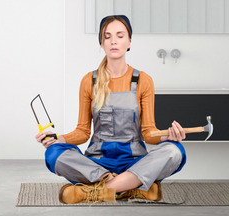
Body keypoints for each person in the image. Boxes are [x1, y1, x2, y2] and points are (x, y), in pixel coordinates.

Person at [35, 15, 186, 204]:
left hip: (134, 162)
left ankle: (97, 192)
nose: (113, 41)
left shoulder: (143, 80)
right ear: (102, 42)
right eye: (107, 36)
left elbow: (149, 134)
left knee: (175, 151)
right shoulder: (89, 81)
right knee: (53, 154)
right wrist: (58, 139)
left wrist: (168, 136)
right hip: (97, 164)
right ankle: (129, 187)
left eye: (120, 35)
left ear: (129, 41)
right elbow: (82, 132)